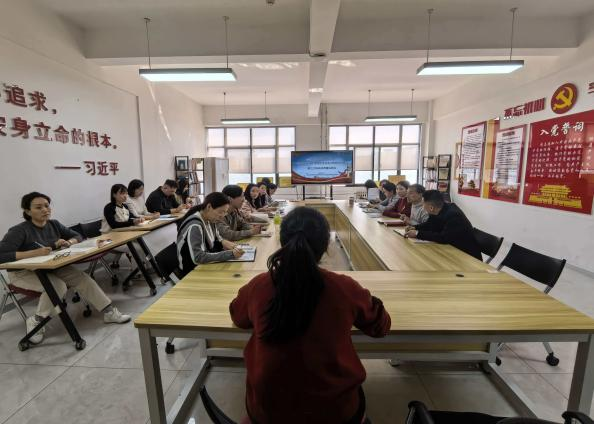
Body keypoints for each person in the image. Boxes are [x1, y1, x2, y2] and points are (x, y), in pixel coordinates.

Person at [230, 207, 391, 424]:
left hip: (268, 411)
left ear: (282, 242)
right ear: (326, 246)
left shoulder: (259, 285)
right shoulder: (344, 287)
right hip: (335, 412)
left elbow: (238, 316)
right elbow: (380, 327)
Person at [0, 192, 131, 345]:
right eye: (38, 207)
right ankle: (36, 321)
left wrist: (70, 242)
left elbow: (78, 235)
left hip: (50, 266)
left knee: (83, 279)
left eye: (47, 206)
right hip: (23, 272)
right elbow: (2, 255)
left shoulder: (53, 224)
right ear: (28, 211)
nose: (45, 210)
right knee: (58, 286)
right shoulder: (19, 230)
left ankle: (109, 312)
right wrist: (33, 253)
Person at [176, 192, 244, 278]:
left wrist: (224, 242)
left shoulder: (210, 219)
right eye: (221, 212)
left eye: (225, 212)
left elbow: (217, 238)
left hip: (204, 266)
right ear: (209, 207)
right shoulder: (195, 225)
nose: (222, 216)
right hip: (191, 272)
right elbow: (198, 257)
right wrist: (231, 254)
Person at [405, 190, 482, 260]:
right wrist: (415, 227)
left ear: (431, 207)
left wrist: (418, 234)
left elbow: (443, 238)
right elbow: (429, 224)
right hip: (449, 250)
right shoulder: (439, 208)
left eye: (423, 205)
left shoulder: (454, 215)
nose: (423, 207)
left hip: (466, 256)